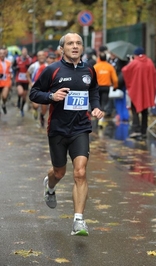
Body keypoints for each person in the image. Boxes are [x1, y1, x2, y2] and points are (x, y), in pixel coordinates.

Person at [29, 32, 104, 236]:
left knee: (80, 172)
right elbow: (34, 93)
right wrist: (52, 96)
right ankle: (50, 185)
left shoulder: (89, 68)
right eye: (70, 43)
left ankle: (78, 221)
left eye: (78, 43)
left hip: (81, 128)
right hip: (58, 129)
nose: (75, 46)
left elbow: (94, 90)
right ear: (62, 49)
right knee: (59, 172)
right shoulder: (52, 70)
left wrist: (96, 107)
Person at [122, 47, 156, 140]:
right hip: (146, 92)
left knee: (135, 111)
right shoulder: (150, 62)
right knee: (145, 112)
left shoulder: (134, 63)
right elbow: (154, 75)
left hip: (136, 91)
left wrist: (130, 62)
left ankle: (136, 130)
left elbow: (125, 70)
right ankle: (143, 131)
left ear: (135, 55)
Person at [94, 52, 118, 118]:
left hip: (97, 87)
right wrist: (115, 86)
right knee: (104, 103)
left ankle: (97, 117)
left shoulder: (96, 67)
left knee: (97, 102)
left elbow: (92, 78)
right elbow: (115, 79)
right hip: (106, 87)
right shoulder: (110, 67)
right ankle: (102, 118)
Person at [27, 50, 48, 127]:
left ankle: (42, 116)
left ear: (45, 56)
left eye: (43, 55)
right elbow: (28, 74)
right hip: (35, 88)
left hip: (45, 89)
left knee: (44, 109)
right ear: (37, 57)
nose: (41, 57)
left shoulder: (48, 66)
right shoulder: (33, 66)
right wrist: (30, 83)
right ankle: (35, 110)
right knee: (36, 106)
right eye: (40, 55)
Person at [13, 47, 32, 116]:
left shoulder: (29, 60)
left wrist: (28, 67)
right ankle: (18, 100)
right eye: (23, 51)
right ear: (22, 52)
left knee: (24, 96)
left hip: (26, 80)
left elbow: (32, 69)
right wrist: (16, 68)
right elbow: (13, 67)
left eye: (26, 51)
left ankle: (21, 108)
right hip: (19, 79)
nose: (24, 52)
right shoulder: (17, 59)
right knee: (20, 92)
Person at [0, 48, 12, 115]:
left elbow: (10, 72)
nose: (2, 55)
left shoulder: (8, 62)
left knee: (4, 96)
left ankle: (4, 104)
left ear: (5, 54)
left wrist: (11, 80)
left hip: (6, 82)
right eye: (0, 53)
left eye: (3, 53)